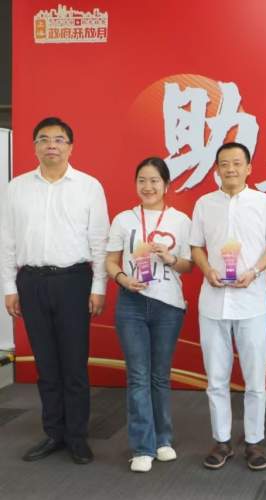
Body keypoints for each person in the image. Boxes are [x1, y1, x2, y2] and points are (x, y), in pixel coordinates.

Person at [1, 117, 108, 464]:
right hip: (30, 282)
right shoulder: (16, 187)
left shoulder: (89, 186)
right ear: (34, 147)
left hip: (73, 282)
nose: (51, 145)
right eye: (44, 139)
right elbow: (7, 240)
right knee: (45, 365)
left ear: (70, 147)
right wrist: (9, 287)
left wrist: (99, 286)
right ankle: (53, 433)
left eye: (59, 139)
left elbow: (100, 241)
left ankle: (77, 437)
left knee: (74, 365)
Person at [190, 142, 266, 471]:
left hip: (252, 302)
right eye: (224, 164)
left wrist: (255, 271)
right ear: (216, 169)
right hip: (213, 302)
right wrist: (207, 270)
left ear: (249, 168)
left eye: (236, 163)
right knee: (216, 378)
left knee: (255, 378)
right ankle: (221, 441)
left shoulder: (264, 203)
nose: (230, 169)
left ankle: (254, 442)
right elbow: (196, 247)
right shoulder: (204, 204)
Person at [105, 157, 193, 472]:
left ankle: (163, 439)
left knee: (159, 375)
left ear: (166, 185)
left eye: (155, 180)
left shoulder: (181, 220)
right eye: (142, 180)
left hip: (168, 304)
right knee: (138, 375)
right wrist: (122, 279)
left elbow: (189, 265)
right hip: (131, 302)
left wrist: (169, 258)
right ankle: (143, 446)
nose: (148, 186)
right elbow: (110, 261)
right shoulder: (123, 219)